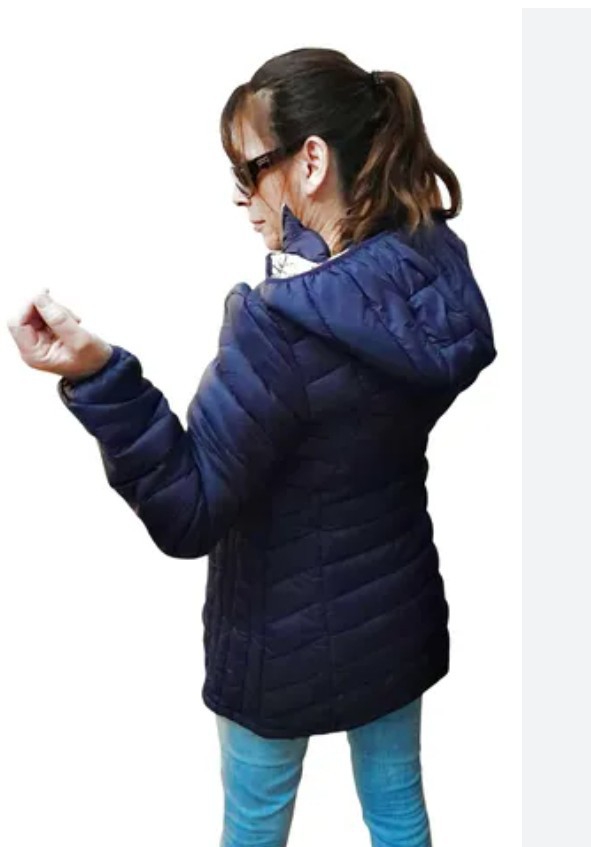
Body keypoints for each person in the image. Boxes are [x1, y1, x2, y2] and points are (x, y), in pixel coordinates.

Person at [7, 47, 497, 847]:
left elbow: (190, 510)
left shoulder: (277, 327)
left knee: (254, 826)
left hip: (278, 638)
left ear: (311, 162)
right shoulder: (431, 272)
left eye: (250, 168)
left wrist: (97, 374)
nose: (241, 196)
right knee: (397, 810)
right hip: (395, 610)